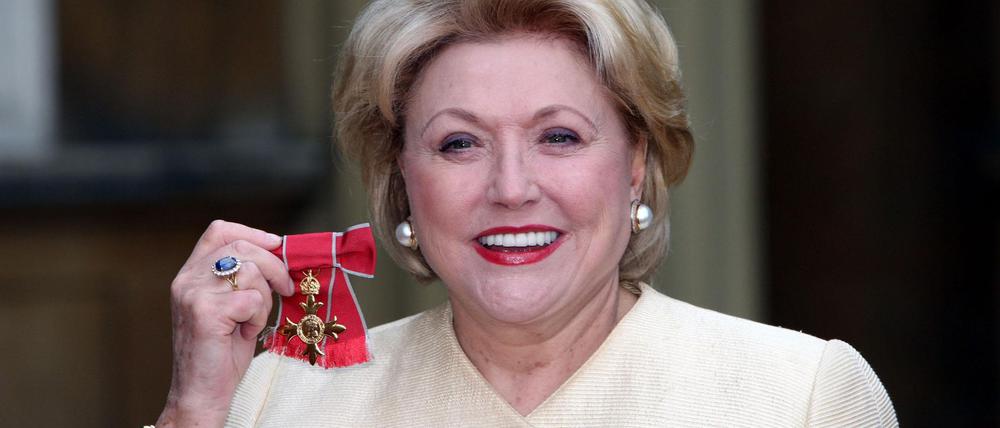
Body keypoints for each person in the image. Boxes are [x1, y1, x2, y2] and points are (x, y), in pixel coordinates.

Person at [156, 0, 898, 426]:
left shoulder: (801, 396)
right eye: (459, 143)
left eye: (559, 137)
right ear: (402, 179)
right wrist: (196, 410)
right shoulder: (279, 398)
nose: (511, 187)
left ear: (636, 163)